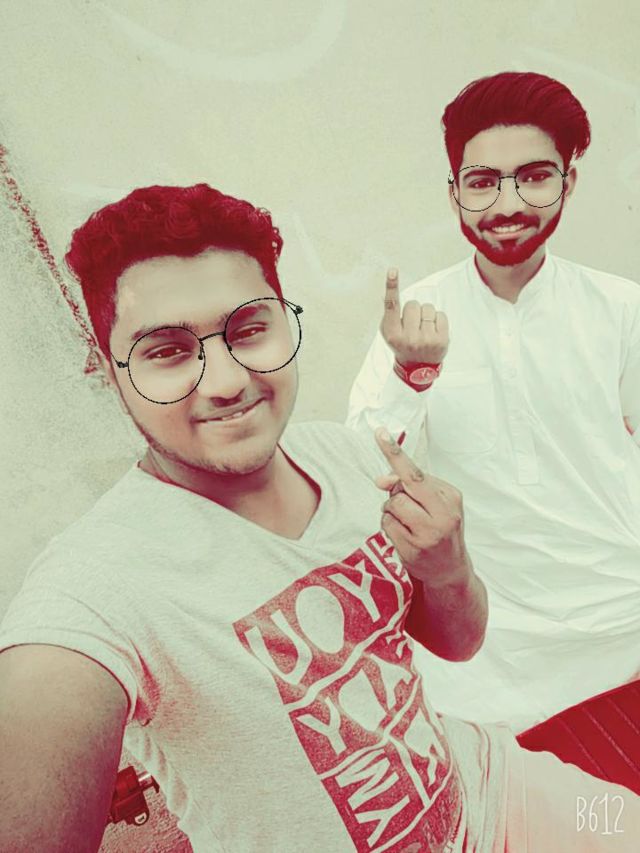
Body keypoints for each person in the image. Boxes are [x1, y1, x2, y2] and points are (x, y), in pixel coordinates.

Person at [1, 184, 638, 853]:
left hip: (495, 789)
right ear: (111, 372)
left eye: (249, 328)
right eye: (167, 350)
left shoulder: (349, 457)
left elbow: (458, 642)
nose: (226, 381)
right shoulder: (97, 586)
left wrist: (447, 567)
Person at [346, 71, 640, 733]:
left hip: (622, 622)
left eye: (534, 177)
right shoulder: (418, 316)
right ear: (454, 191)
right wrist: (410, 375)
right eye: (482, 182)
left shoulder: (621, 308)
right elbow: (367, 467)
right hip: (486, 652)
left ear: (569, 181)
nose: (507, 203)